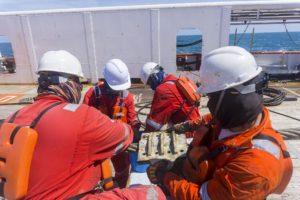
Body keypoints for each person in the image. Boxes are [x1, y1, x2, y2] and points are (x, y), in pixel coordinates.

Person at [2, 50, 165, 199]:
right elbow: (122, 134)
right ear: (69, 82)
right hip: (106, 143)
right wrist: (132, 134)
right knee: (153, 194)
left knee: (118, 172)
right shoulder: (84, 113)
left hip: (92, 148)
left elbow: (131, 119)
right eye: (78, 83)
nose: (80, 88)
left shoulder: (10, 119)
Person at [147, 46, 293, 200]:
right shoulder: (238, 116)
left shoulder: (255, 166)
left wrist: (166, 177)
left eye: (211, 97)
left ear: (229, 96)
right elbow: (212, 119)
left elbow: (201, 197)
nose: (209, 102)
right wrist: (187, 125)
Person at [83, 58, 140, 188]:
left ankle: (121, 187)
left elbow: (133, 118)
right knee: (95, 171)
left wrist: (136, 131)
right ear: (106, 81)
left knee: (123, 167)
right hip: (97, 141)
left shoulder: (127, 97)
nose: (117, 91)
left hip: (118, 142)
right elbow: (84, 120)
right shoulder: (92, 94)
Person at [140, 62, 200, 136]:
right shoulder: (175, 80)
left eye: (149, 83)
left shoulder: (164, 90)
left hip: (188, 134)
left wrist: (144, 136)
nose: (151, 87)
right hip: (196, 127)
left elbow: (154, 123)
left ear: (154, 77)